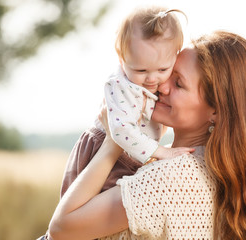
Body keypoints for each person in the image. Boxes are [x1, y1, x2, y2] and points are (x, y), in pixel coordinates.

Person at [48, 30, 246, 240]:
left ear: (215, 111)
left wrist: (114, 139)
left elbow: (60, 230)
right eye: (167, 72)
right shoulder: (217, 173)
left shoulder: (171, 178)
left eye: (178, 83)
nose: (160, 86)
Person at [59, 6, 192, 198]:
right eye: (141, 71)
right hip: (104, 153)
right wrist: (162, 152)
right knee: (89, 209)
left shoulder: (155, 82)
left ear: (175, 55)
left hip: (129, 154)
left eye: (162, 69)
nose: (152, 79)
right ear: (122, 58)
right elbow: (121, 131)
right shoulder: (120, 85)